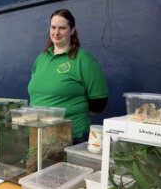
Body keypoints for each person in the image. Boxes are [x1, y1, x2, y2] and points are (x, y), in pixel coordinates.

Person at [28, 9, 109, 144]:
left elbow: (99, 101)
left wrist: (75, 112)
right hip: (39, 135)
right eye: (53, 27)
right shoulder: (41, 58)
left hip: (72, 137)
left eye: (62, 28)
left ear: (72, 30)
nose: (56, 32)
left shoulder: (83, 59)